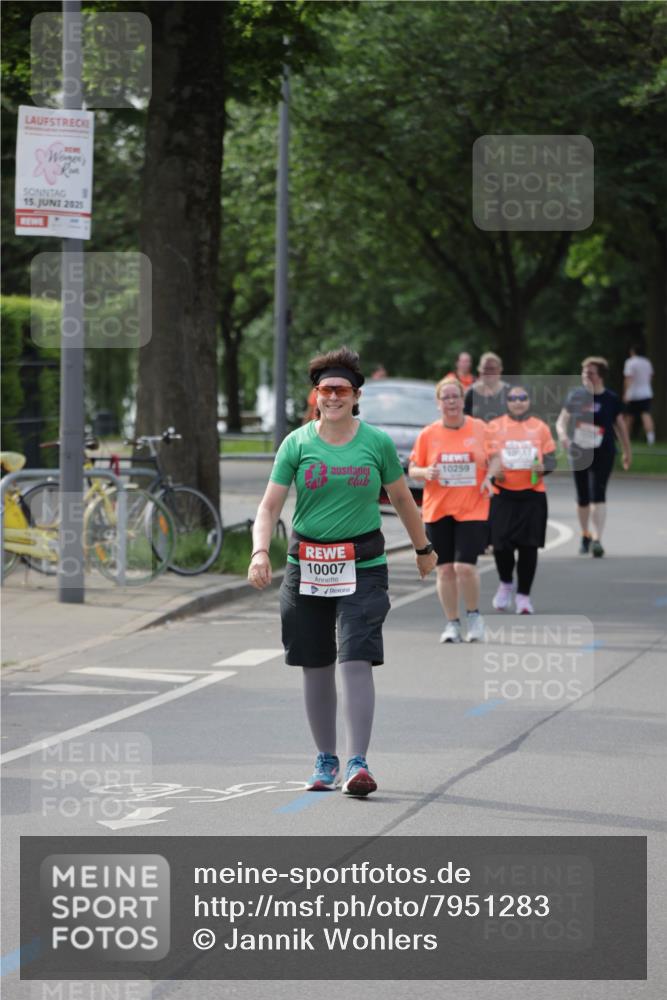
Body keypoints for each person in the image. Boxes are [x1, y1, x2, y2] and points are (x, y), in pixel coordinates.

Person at [248, 347, 437, 797]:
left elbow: (403, 499)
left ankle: (358, 763)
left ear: (355, 397)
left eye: (342, 390)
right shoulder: (296, 443)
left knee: (355, 659)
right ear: (315, 396)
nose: (333, 397)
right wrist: (259, 551)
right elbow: (269, 506)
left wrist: (423, 548)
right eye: (325, 390)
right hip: (306, 566)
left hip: (363, 565)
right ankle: (326, 758)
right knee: (315, 666)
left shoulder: (375, 443)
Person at [408, 376, 493, 643]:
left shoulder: (480, 428)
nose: (451, 402)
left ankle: (474, 616)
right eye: (446, 398)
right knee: (445, 570)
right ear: (438, 403)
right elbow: (412, 470)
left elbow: (497, 457)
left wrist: (491, 476)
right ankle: (452, 623)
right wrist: (426, 471)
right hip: (438, 509)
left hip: (472, 507)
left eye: (455, 396)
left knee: (464, 567)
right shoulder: (428, 434)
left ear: (462, 400)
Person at [485, 385, 557, 614]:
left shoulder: (540, 427)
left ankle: (524, 596)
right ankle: (506, 583)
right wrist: (493, 472)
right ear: (507, 401)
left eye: (523, 398)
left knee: (529, 548)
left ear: (529, 401)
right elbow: (485, 458)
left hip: (532, 495)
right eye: (513, 398)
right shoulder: (494, 426)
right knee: (500, 546)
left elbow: (551, 459)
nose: (518, 402)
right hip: (502, 494)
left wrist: (543, 467)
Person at [556, 356, 632, 557]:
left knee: (598, 494)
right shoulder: (575, 396)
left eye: (590, 373)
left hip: (603, 451)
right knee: (582, 497)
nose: (585, 376)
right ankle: (585, 534)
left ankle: (598, 539)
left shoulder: (611, 399)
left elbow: (621, 427)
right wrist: (563, 436)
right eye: (583, 372)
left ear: (600, 377)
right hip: (579, 452)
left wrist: (627, 451)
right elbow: (561, 421)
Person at [463, 351, 510, 423]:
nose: (488, 372)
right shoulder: (470, 393)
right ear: (479, 369)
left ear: (500, 370)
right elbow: (464, 420)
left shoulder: (510, 392)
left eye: (492, 368)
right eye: (485, 368)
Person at [623, 345, 655, 445]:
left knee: (628, 417)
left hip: (633, 394)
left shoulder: (630, 362)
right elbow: (650, 377)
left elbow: (628, 378)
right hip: (646, 393)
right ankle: (651, 440)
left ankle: (625, 439)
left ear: (633, 352)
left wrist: (625, 393)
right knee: (646, 415)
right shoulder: (647, 362)